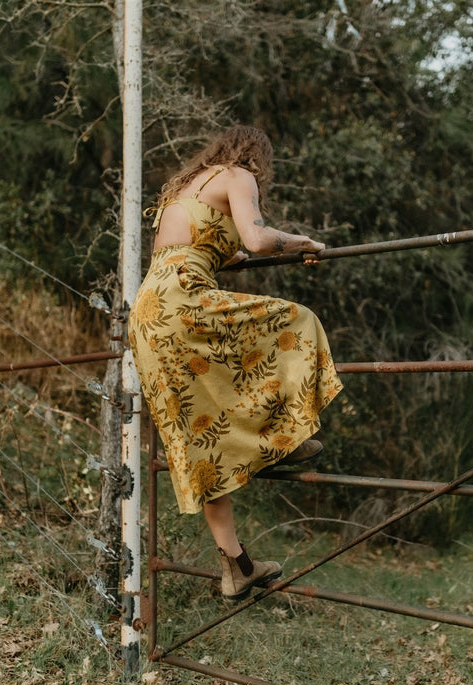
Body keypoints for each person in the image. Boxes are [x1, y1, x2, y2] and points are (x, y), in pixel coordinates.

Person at [128, 125, 343, 601]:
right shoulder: (238, 175)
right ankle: (282, 440)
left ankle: (237, 566)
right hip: (183, 300)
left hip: (147, 314)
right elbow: (259, 239)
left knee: (199, 433)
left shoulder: (184, 190)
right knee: (296, 322)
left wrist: (239, 256)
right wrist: (302, 241)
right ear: (255, 157)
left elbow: (206, 250)